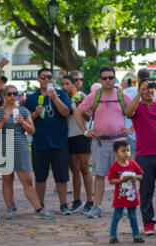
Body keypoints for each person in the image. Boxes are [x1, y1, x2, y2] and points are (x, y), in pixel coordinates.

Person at [74, 66, 133, 219]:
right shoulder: (95, 95)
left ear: (115, 79)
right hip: (100, 142)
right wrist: (85, 131)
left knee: (123, 174)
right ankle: (97, 206)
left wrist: (132, 129)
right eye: (105, 78)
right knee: (99, 175)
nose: (108, 81)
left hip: (120, 141)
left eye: (110, 78)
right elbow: (78, 112)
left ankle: (124, 205)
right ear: (100, 80)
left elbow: (138, 110)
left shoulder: (122, 95)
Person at [0, 85, 53, 219]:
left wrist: (23, 122)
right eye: (9, 94)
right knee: (7, 179)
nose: (12, 96)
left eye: (15, 93)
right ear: (4, 96)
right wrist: (3, 120)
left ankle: (39, 209)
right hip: (4, 144)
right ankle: (10, 209)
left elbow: (32, 130)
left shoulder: (23, 111)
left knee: (27, 180)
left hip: (20, 145)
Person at [24, 67, 72, 215]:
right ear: (38, 80)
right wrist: (35, 114)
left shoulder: (61, 94)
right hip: (40, 142)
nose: (46, 80)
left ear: (53, 79)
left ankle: (63, 204)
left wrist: (55, 98)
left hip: (59, 141)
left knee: (61, 176)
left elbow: (66, 112)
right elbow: (25, 121)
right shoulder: (32, 98)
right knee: (40, 177)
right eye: (43, 77)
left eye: (49, 77)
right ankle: (40, 205)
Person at [126, 78, 156, 235]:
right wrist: (138, 93)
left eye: (151, 87)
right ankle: (148, 222)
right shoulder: (138, 108)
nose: (149, 90)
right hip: (145, 155)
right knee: (146, 190)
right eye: (146, 88)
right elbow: (128, 112)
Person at [61, 75, 94, 214]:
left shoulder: (81, 95)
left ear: (73, 84)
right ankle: (76, 200)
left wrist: (80, 105)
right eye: (62, 84)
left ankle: (90, 201)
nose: (65, 86)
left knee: (84, 168)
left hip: (82, 134)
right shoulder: (61, 97)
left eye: (67, 83)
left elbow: (88, 116)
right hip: (68, 136)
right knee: (74, 169)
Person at [107, 140, 144, 244]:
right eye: (123, 151)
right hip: (120, 197)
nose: (126, 153)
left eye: (128, 151)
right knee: (117, 216)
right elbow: (111, 180)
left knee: (133, 216)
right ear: (115, 153)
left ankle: (136, 235)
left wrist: (135, 177)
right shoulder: (114, 166)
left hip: (132, 196)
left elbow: (141, 175)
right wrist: (121, 180)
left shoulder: (133, 164)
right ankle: (113, 236)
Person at [123, 68, 151, 160]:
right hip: (141, 135)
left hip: (132, 134)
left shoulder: (127, 92)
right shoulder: (152, 91)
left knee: (132, 164)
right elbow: (129, 113)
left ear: (138, 78)